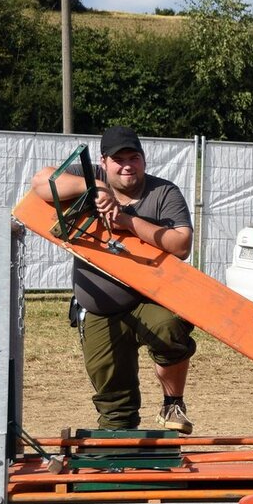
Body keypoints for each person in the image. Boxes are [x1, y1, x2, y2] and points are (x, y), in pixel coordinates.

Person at [31, 126, 197, 434]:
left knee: (170, 327)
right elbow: (41, 182)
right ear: (104, 162)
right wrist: (95, 187)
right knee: (112, 394)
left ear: (143, 160)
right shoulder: (92, 176)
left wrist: (126, 220)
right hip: (98, 307)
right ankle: (119, 453)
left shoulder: (163, 192)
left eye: (133, 158)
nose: (126, 166)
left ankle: (172, 403)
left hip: (146, 300)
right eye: (118, 159)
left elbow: (181, 244)